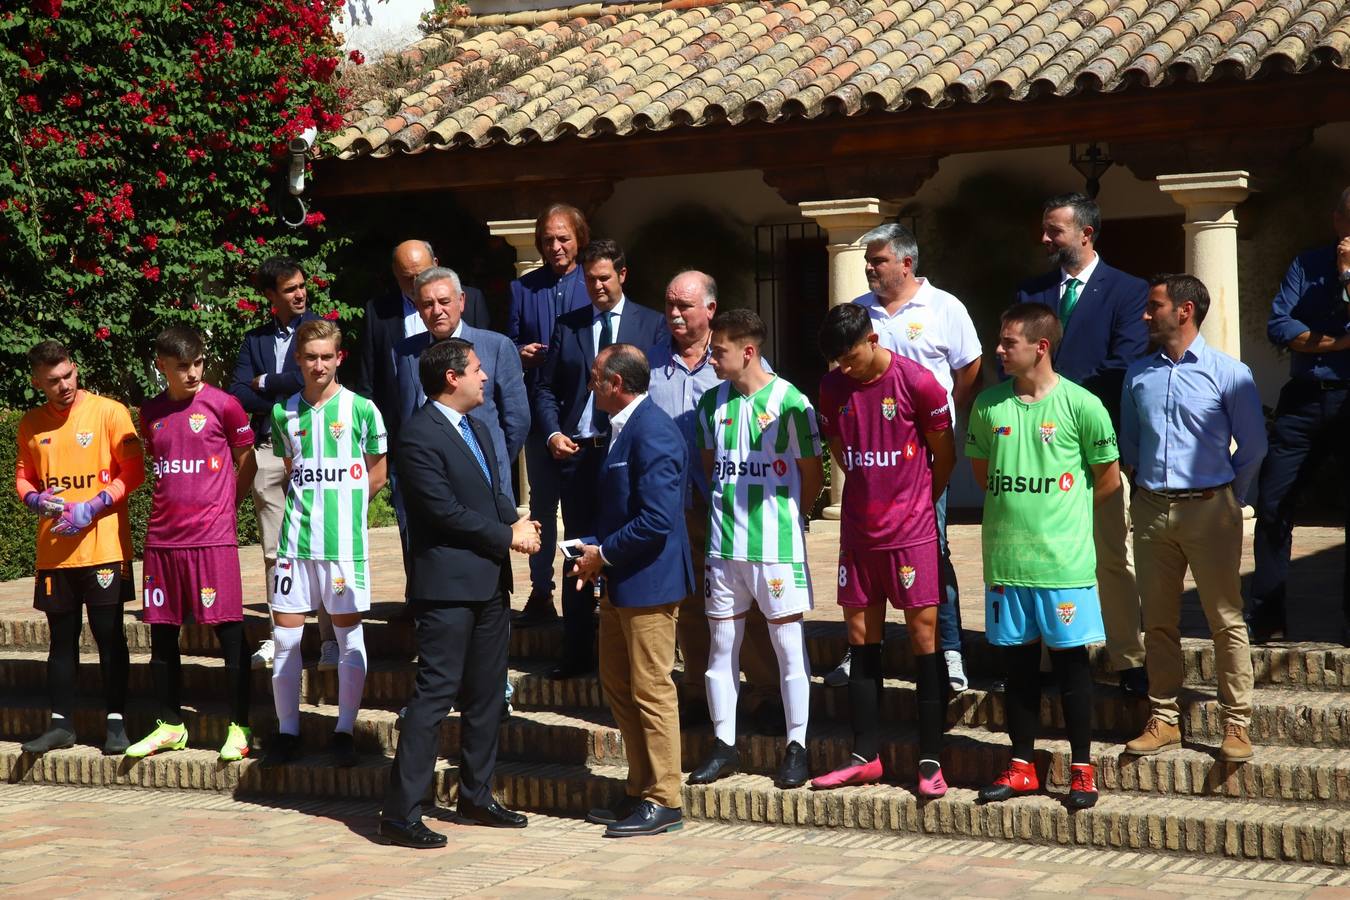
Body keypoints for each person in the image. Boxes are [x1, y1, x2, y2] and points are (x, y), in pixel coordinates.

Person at [379, 338, 537, 848]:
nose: (485, 377)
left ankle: (476, 793)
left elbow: (491, 496)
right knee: (434, 696)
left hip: (490, 583)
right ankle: (400, 812)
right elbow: (441, 511)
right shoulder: (418, 435)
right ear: (452, 377)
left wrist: (518, 521)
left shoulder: (479, 429)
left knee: (488, 694)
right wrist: (506, 535)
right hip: (447, 589)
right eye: (475, 370)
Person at [966, 303, 1119, 810]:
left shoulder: (1083, 405)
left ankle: (1081, 769)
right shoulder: (988, 405)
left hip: (1063, 565)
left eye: (1008, 342)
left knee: (1073, 667)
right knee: (1018, 670)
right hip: (1008, 565)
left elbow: (1108, 478)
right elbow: (984, 475)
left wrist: (1062, 514)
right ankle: (1022, 766)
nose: (999, 350)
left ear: (1040, 346)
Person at [811, 304, 956, 794]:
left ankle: (931, 760)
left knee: (923, 637)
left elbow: (945, 454)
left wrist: (913, 503)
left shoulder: (918, 382)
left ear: (873, 338)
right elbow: (839, 450)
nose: (846, 369)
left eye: (852, 357)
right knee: (859, 638)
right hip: (858, 533)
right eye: (838, 362)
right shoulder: (832, 388)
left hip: (911, 533)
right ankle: (864, 754)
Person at [1121, 275, 1266, 763]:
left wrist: (1227, 498)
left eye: (1154, 306)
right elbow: (1131, 442)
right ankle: (1163, 717)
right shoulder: (1138, 373)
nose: (1146, 314)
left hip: (1210, 509)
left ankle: (1236, 724)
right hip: (1151, 507)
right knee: (1157, 621)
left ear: (1184, 310)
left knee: (1225, 618)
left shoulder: (1229, 372)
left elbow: (1253, 447)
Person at [1016, 192, 1150, 697]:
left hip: (1097, 443)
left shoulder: (1128, 290)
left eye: (1055, 231)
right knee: (1046, 554)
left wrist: (1057, 391)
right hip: (1038, 449)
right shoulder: (1032, 291)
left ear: (1086, 234)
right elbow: (1020, 356)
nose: (1045, 239)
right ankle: (1054, 660)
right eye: (1045, 229)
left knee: (1112, 555)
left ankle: (1128, 658)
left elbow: (1125, 362)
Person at [839, 223, 981, 695]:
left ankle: (950, 647)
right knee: (864, 558)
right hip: (873, 463)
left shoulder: (945, 307)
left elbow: (967, 369)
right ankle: (858, 651)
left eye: (877, 260)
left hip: (921, 457)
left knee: (933, 548)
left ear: (906, 262)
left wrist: (941, 421)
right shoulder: (859, 312)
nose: (869, 268)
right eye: (868, 261)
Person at [687, 309, 823, 789]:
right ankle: (724, 744)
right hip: (724, 549)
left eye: (717, 350)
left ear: (747, 351)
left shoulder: (792, 402)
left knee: (789, 649)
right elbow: (710, 467)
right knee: (721, 648)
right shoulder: (710, 405)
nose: (710, 357)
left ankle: (797, 744)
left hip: (777, 548)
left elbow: (812, 473)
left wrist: (791, 518)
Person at [645, 271, 780, 727]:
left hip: (729, 505)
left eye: (685, 305)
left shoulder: (733, 364)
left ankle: (765, 692)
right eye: (669, 305)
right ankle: (700, 692)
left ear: (710, 310)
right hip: (671, 507)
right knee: (689, 603)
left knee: (751, 600)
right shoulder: (650, 364)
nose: (676, 314)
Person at [570, 344, 692, 837]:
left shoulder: (654, 432)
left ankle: (666, 799)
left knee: (651, 690)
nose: (591, 386)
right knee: (620, 685)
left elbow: (657, 521)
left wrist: (605, 554)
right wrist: (590, 546)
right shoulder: (622, 428)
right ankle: (640, 787)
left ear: (616, 385)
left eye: (595, 378)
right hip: (621, 582)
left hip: (649, 584)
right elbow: (624, 512)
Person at [533, 239, 668, 678]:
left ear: (622, 275)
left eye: (604, 278)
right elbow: (547, 388)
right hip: (579, 455)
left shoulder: (650, 323)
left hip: (627, 455)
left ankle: (634, 652)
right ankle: (575, 653)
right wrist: (553, 432)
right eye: (589, 279)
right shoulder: (567, 325)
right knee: (577, 550)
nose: (597, 286)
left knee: (623, 546)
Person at [128, 327, 258, 761]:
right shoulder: (150, 412)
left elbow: (247, 461)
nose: (192, 373)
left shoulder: (224, 404)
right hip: (163, 540)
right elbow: (163, 464)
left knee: (230, 635)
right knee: (162, 638)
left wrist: (227, 509)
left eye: (198, 363)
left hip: (212, 539)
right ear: (162, 365)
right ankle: (170, 725)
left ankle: (239, 727)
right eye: (182, 366)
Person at [262, 320, 387, 768]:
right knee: (284, 639)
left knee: (349, 639)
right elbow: (292, 468)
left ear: (339, 358)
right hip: (294, 546)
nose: (318, 365)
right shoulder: (283, 413)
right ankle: (288, 733)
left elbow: (377, 473)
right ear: (298, 359)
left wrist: (348, 510)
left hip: (342, 548)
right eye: (310, 356)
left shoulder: (362, 410)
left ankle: (343, 731)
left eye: (326, 356)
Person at [16, 340, 144, 755]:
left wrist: (96, 504)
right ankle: (61, 724)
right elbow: (23, 478)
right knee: (60, 640)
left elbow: (134, 470)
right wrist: (35, 500)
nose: (64, 386)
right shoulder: (31, 424)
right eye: (52, 381)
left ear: (75, 367)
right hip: (54, 551)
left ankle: (117, 723)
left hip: (104, 548)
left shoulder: (110, 411)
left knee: (109, 636)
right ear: (38, 382)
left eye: (68, 375)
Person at [1249, 187, 1350, 646]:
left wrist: (1348, 277)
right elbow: (1278, 325)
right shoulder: (1306, 264)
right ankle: (1268, 619)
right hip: (1305, 396)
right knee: (1273, 504)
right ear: (1337, 220)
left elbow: (1296, 332)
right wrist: (1338, 343)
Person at [228, 257, 335, 670]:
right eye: (289, 289)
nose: (300, 294)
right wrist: (282, 386)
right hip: (270, 452)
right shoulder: (254, 340)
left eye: (302, 286)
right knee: (275, 551)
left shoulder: (319, 330)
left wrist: (267, 382)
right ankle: (281, 638)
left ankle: (328, 641)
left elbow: (315, 380)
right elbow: (239, 393)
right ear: (271, 296)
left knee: (323, 549)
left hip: (315, 451)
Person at [351, 241, 490, 556]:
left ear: (436, 263)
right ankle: (418, 599)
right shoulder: (379, 311)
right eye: (405, 278)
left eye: (420, 274)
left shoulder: (469, 300)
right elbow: (370, 381)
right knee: (412, 531)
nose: (414, 284)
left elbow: (486, 371)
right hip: (407, 443)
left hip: (468, 442)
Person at [507, 205, 593, 625]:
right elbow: (509, 341)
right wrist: (519, 352)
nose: (555, 247)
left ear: (579, 238)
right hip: (539, 415)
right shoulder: (523, 289)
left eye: (563, 238)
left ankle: (588, 594)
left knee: (585, 510)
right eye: (547, 240)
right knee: (541, 507)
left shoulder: (591, 282)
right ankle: (541, 592)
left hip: (583, 414)